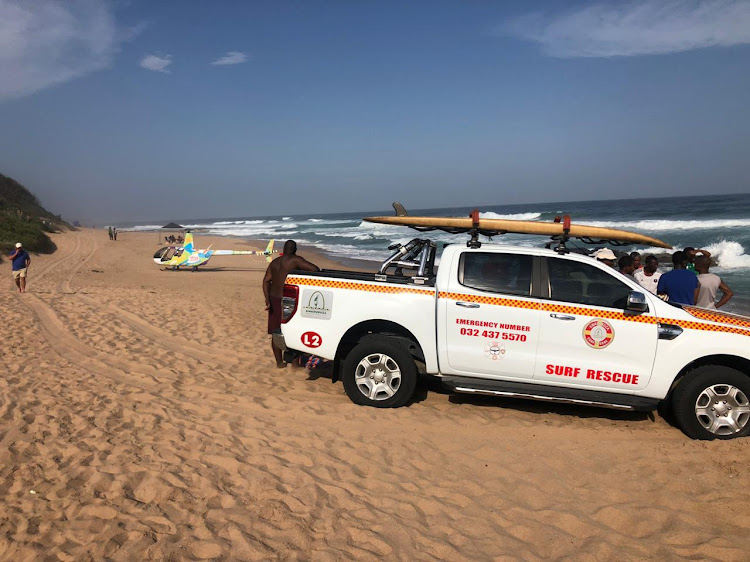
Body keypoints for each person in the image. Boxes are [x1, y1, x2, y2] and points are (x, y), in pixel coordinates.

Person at [263, 240, 320, 368]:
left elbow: (266, 281)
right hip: (289, 300)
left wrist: (267, 299)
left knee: (276, 331)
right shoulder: (295, 260)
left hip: (274, 299)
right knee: (294, 329)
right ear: (295, 250)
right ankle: (295, 362)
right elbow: (315, 269)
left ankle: (279, 362)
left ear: (284, 248)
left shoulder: (275, 262)